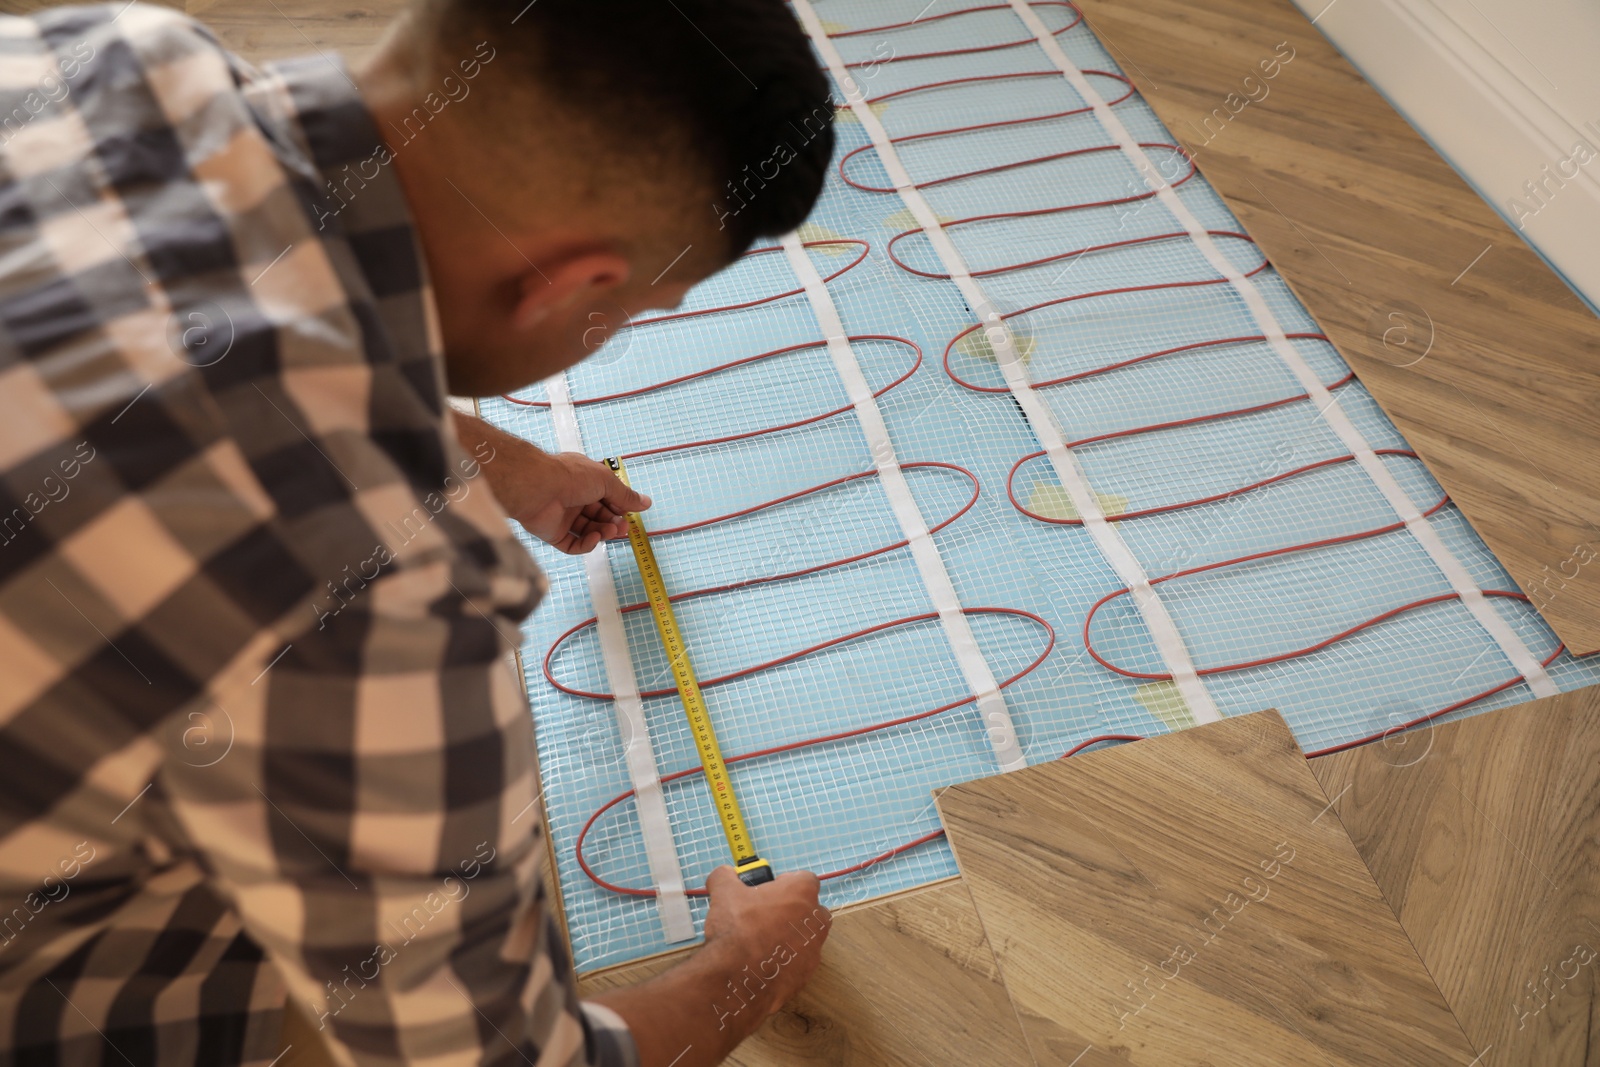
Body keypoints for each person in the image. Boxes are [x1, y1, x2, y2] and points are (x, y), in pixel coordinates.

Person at [0, 0, 837, 1063]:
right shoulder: (369, 579)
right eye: (634, 307)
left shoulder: (113, 56)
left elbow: (181, 343)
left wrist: (501, 462)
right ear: (574, 282)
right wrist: (744, 969)